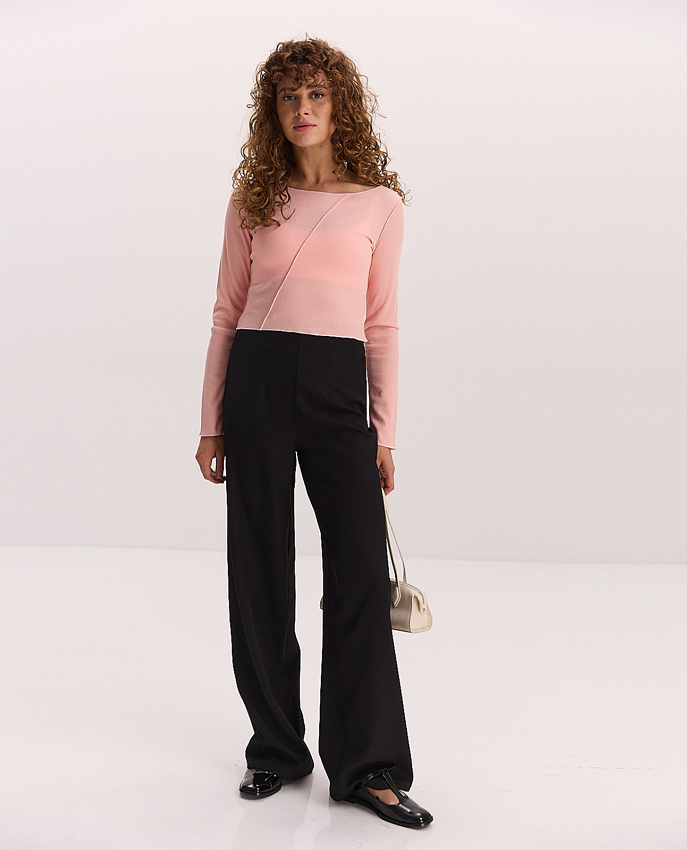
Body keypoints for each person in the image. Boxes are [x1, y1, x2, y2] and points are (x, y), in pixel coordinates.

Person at [194, 36, 432, 830]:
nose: (303, 108)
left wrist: (383, 431)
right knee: (259, 565)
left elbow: (382, 323)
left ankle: (366, 766)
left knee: (359, 571)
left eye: (317, 95)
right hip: (257, 382)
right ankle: (277, 747)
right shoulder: (252, 199)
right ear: (274, 110)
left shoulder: (380, 205)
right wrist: (210, 423)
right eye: (289, 96)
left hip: (338, 389)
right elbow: (226, 313)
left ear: (341, 106)